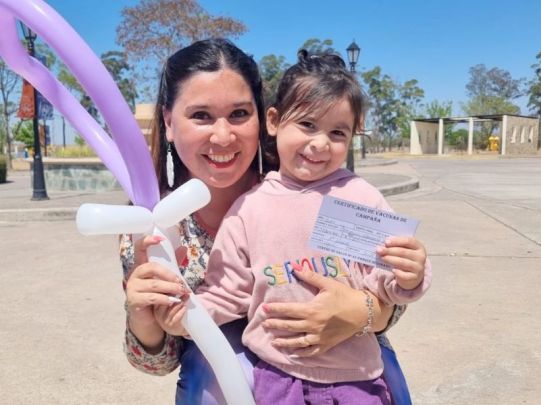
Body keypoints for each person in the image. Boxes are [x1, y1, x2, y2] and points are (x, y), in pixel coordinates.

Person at [120, 39, 411, 404]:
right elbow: (158, 362)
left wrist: (360, 311)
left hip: (347, 372)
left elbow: (391, 291)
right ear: (169, 122)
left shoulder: (314, 187)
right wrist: (145, 315)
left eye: (239, 114)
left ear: (265, 119)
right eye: (201, 116)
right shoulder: (153, 225)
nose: (223, 135)